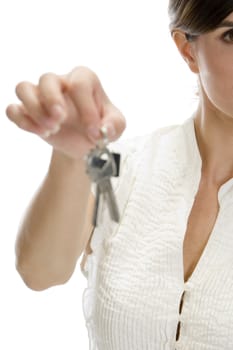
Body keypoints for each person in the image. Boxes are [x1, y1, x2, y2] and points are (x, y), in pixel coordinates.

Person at [6, 0, 233, 348]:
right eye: (232, 35)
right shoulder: (123, 165)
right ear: (188, 50)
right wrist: (71, 156)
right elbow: (39, 272)